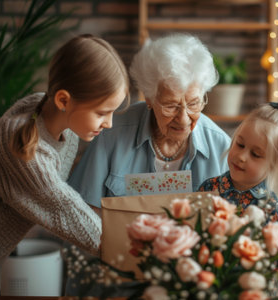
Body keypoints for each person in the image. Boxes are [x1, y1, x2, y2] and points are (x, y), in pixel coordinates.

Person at [0, 34, 129, 295]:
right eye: (102, 113)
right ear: (63, 100)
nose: (109, 123)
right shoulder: (23, 150)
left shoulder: (52, 116)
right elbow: (65, 208)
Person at [68, 33, 231, 209]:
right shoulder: (112, 132)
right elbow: (80, 210)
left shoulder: (221, 147)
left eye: (194, 103)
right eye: (171, 105)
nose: (183, 119)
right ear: (149, 99)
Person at [199, 99, 278, 225]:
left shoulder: (269, 206)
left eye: (255, 154)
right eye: (240, 145)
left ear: (274, 165)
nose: (242, 157)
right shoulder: (209, 188)